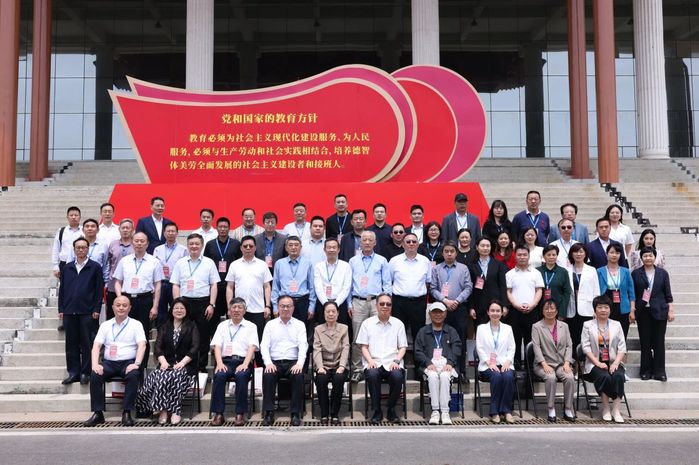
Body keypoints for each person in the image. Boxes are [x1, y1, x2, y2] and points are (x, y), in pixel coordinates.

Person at [84, 296, 146, 427]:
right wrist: (95, 364)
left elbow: (142, 345)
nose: (121, 308)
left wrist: (136, 364)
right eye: (118, 305)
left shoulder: (136, 324)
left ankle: (127, 412)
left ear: (129, 308)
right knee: (95, 375)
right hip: (109, 363)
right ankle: (98, 413)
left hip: (128, 362)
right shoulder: (105, 325)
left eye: (124, 305)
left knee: (134, 374)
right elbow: (96, 346)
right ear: (112, 307)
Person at [135, 298, 199, 425]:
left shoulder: (192, 326)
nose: (179, 310)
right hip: (167, 364)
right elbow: (158, 347)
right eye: (176, 308)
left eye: (182, 308)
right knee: (160, 376)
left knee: (175, 376)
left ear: (186, 310)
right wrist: (163, 362)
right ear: (171, 310)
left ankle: (175, 411)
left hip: (186, 366)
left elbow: (194, 348)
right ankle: (163, 410)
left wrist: (182, 363)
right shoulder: (165, 326)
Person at [171, 233, 220, 372]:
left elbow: (214, 285)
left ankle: (201, 367)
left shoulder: (209, 263)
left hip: (203, 303)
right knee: (184, 335)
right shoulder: (180, 263)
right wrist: (177, 304)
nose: (194, 246)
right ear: (187, 245)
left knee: (203, 336)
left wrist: (211, 304)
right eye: (191, 244)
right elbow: (175, 284)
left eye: (197, 244)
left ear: (202, 245)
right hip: (184, 302)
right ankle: (184, 365)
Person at [114, 232, 164, 369]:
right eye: (136, 241)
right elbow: (117, 282)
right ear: (132, 243)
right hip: (126, 300)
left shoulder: (154, 261)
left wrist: (155, 306)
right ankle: (125, 364)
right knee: (125, 333)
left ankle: (141, 367)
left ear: (147, 244)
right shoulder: (125, 261)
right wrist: (120, 298)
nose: (139, 243)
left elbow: (158, 285)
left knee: (143, 335)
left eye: (142, 241)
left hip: (145, 300)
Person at [347, 231, 392, 382]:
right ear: (360, 242)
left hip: (376, 302)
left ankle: (376, 365)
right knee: (357, 337)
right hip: (358, 302)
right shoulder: (353, 261)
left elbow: (387, 283)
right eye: (364, 240)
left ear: (375, 243)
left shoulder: (382, 260)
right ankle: (357, 368)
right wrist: (349, 303)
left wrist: (386, 303)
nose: (367, 242)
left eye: (370, 240)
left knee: (377, 334)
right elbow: (349, 284)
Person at [356, 294, 408, 424]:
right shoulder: (367, 323)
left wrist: (397, 360)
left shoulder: (398, 324)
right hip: (374, 361)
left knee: (397, 376)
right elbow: (363, 346)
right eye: (382, 304)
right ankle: (377, 410)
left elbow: (402, 347)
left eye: (388, 304)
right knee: (372, 375)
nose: (385, 306)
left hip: (393, 362)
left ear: (391, 306)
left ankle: (391, 409)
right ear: (376, 305)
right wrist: (370, 361)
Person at [59, 237, 103, 385]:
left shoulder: (95, 267)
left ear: (88, 249)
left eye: (83, 247)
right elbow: (62, 289)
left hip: (88, 311)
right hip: (69, 311)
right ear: (74, 250)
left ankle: (86, 372)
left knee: (87, 343)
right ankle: (73, 372)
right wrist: (61, 308)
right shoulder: (67, 268)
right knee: (71, 344)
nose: (81, 250)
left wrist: (97, 308)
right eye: (78, 247)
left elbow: (98, 290)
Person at [209, 297, 259, 427]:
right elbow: (217, 346)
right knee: (219, 375)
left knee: (241, 376)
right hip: (225, 361)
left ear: (244, 311)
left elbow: (252, 346)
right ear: (229, 310)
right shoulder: (222, 325)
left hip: (243, 361)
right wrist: (219, 363)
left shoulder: (251, 326)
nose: (236, 310)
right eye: (234, 307)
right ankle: (218, 414)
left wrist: (245, 364)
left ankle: (240, 414)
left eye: (239, 307)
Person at [260, 295, 308, 427]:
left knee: (298, 376)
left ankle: (295, 413)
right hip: (274, 361)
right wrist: (268, 363)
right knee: (268, 375)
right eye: (282, 306)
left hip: (293, 362)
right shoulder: (270, 325)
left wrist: (299, 364)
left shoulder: (299, 325)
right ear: (278, 307)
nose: (285, 309)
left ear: (293, 308)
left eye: (288, 306)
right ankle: (269, 413)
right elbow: (264, 346)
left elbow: (303, 346)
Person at [225, 235, 273, 366]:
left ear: (255, 248)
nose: (248, 248)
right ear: (241, 248)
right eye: (245, 246)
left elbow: (267, 286)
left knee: (258, 342)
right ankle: (242, 370)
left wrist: (267, 306)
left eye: (250, 246)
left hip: (258, 310)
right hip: (238, 311)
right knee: (240, 341)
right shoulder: (234, 265)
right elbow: (230, 287)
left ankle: (260, 373)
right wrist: (229, 307)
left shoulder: (262, 265)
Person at [581, 295, 627, 423]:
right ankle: (606, 408)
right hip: (594, 363)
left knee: (618, 376)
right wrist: (597, 363)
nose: (603, 310)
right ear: (595, 310)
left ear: (610, 309)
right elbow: (585, 347)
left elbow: (622, 347)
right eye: (600, 307)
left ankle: (616, 410)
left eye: (606, 307)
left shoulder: (616, 325)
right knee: (604, 376)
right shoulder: (587, 325)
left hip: (613, 361)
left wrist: (616, 363)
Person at [631, 247, 674, 382]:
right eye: (645, 256)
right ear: (641, 258)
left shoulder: (662, 273)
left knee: (659, 342)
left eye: (650, 256)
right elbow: (633, 294)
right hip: (643, 311)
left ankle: (659, 371)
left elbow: (668, 294)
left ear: (655, 257)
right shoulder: (636, 273)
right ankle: (645, 371)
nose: (648, 258)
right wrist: (633, 310)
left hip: (660, 310)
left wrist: (671, 310)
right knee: (645, 342)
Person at [414, 302, 462, 425]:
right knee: (433, 376)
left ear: (445, 314)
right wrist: (427, 362)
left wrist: (450, 363)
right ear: (430, 314)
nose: (438, 315)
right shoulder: (423, 331)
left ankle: (445, 411)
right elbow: (417, 351)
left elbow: (457, 348)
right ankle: (435, 411)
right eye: (434, 312)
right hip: (430, 365)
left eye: (440, 312)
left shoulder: (451, 331)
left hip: (447, 365)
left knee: (445, 376)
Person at [430, 241, 472, 375]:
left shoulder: (463, 268)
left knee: (460, 339)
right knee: (442, 338)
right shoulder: (436, 269)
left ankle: (461, 371)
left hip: (459, 308)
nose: (449, 254)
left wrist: (457, 301)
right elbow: (433, 288)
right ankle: (442, 368)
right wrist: (445, 300)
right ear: (442, 253)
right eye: (446, 251)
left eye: (452, 251)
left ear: (456, 253)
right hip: (441, 309)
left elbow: (468, 287)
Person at [530, 299, 575, 422]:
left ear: (556, 310)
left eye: (552, 308)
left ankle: (568, 408)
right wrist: (544, 364)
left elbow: (569, 345)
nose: (549, 311)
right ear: (542, 311)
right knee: (550, 377)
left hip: (561, 363)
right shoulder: (537, 327)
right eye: (546, 308)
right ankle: (551, 408)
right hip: (543, 364)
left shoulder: (564, 326)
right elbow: (536, 347)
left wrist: (567, 362)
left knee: (570, 377)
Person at [476, 300, 517, 424]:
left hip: (505, 363)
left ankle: (507, 411)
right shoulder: (481, 328)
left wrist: (508, 362)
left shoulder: (508, 328)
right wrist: (489, 363)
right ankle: (495, 412)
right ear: (488, 312)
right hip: (487, 365)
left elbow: (512, 347)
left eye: (498, 311)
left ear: (502, 313)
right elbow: (479, 348)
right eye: (492, 310)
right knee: (497, 376)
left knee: (508, 376)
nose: (495, 313)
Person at [389, 232, 431, 348]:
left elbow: (428, 282)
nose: (411, 244)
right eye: (408, 242)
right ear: (403, 244)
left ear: (418, 244)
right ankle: (398, 358)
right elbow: (389, 281)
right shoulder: (394, 261)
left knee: (419, 333)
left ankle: (418, 359)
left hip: (418, 302)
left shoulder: (425, 261)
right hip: (399, 302)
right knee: (398, 332)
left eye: (414, 241)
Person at [505, 245, 544, 370]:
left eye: (524, 255)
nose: (522, 257)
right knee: (514, 340)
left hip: (532, 311)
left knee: (531, 341)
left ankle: (530, 368)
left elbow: (539, 290)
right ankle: (515, 367)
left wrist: (533, 305)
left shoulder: (536, 273)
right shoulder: (509, 274)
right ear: (515, 256)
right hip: (515, 312)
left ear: (528, 256)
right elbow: (508, 292)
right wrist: (516, 305)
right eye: (519, 255)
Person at [312, 301, 351, 425]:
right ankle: (324, 413)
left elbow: (346, 348)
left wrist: (342, 366)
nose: (330, 314)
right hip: (324, 365)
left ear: (338, 313)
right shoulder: (318, 329)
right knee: (321, 379)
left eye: (333, 311)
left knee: (339, 379)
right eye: (328, 311)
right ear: (324, 314)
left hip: (339, 364)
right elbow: (316, 349)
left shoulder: (344, 328)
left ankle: (334, 413)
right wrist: (320, 367)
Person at [204, 217, 242, 337]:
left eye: (225, 227)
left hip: (231, 286)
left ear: (229, 228)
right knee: (213, 318)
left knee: (232, 315)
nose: (223, 229)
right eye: (220, 227)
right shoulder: (210, 244)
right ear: (216, 228)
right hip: (215, 287)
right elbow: (206, 264)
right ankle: (215, 341)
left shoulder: (236, 244)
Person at [271, 236, 316, 325]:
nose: (293, 247)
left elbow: (311, 287)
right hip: (284, 302)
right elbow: (275, 286)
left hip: (302, 302)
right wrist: (275, 306)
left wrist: (312, 306)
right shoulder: (279, 263)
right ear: (286, 248)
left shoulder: (307, 263)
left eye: (296, 245)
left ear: (301, 247)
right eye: (290, 245)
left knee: (302, 328)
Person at [567, 243, 601, 352]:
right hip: (571, 308)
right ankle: (573, 359)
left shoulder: (591, 270)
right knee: (572, 336)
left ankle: (586, 359)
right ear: (571, 254)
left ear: (585, 254)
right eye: (576, 252)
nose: (578, 254)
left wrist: (596, 309)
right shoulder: (566, 270)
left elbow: (596, 291)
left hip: (587, 308)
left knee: (586, 337)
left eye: (581, 251)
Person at [597, 244, 635, 339]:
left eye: (617, 253)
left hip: (623, 307)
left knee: (622, 336)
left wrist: (632, 310)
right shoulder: (599, 271)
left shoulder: (626, 271)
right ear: (607, 254)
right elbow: (596, 291)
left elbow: (631, 292)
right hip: (605, 306)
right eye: (612, 252)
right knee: (606, 337)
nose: (614, 255)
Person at [468, 237, 508, 326]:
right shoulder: (471, 265)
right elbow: (469, 288)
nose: (485, 248)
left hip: (496, 307)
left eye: (488, 246)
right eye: (482, 246)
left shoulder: (498, 264)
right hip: (478, 306)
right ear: (477, 247)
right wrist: (471, 307)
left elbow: (502, 286)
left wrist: (504, 305)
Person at [153, 222, 187, 327]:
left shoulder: (183, 250)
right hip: (161, 284)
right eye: (168, 231)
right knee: (160, 313)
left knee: (176, 310)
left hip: (175, 285)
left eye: (173, 231)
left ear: (177, 233)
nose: (170, 233)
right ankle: (161, 333)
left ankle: (175, 332)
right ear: (164, 233)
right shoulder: (157, 249)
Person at [313, 238, 351, 325]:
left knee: (340, 330)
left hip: (340, 304)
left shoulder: (345, 266)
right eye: (329, 247)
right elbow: (318, 287)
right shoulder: (319, 266)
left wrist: (336, 303)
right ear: (324, 250)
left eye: (334, 247)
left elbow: (346, 288)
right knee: (323, 330)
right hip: (323, 304)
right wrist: (326, 303)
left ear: (338, 250)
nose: (331, 250)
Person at [105, 219, 135, 320]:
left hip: (130, 286)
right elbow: (108, 263)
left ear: (132, 230)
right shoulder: (113, 244)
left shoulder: (136, 244)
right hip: (113, 285)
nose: (125, 230)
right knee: (111, 315)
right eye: (123, 228)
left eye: (128, 228)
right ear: (119, 229)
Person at [536, 245, 572, 319]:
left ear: (557, 256)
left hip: (557, 309)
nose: (551, 257)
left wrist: (562, 313)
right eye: (548, 255)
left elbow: (567, 292)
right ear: (544, 257)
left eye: (554, 255)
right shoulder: (537, 271)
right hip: (539, 310)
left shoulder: (563, 272)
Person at [51, 206, 82, 279]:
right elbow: (56, 248)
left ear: (80, 217)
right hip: (64, 263)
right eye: (71, 215)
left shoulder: (84, 230)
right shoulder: (61, 231)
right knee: (65, 285)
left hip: (81, 263)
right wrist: (55, 265)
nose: (73, 217)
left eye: (76, 215)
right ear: (67, 217)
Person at [81, 218, 110, 284]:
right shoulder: (77, 244)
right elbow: (70, 262)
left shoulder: (103, 245)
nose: (90, 228)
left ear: (98, 230)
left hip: (97, 279)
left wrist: (106, 281)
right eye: (87, 226)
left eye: (93, 226)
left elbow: (105, 264)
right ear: (83, 230)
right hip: (79, 278)